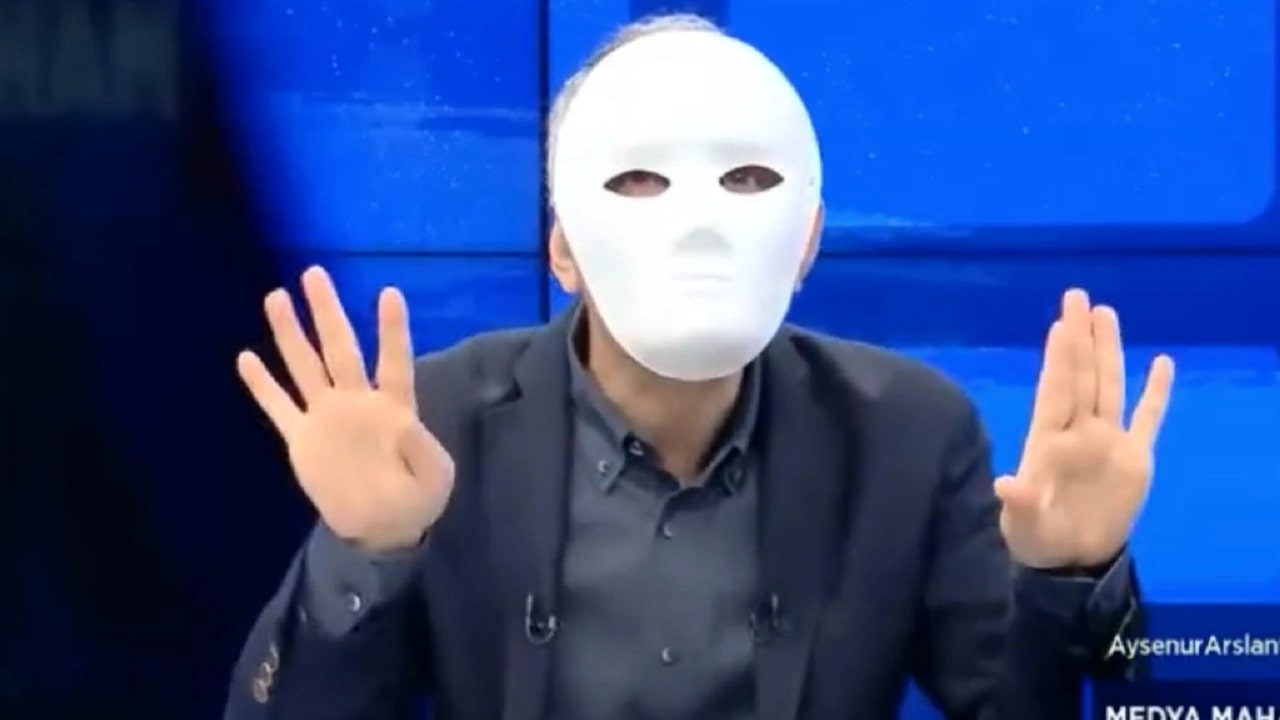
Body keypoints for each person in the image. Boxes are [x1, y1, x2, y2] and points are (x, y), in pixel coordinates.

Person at [224, 14, 1175, 720]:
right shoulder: (438, 427)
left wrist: (1071, 577)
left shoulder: (910, 434)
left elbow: (1041, 704)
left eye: (747, 179)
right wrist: (365, 556)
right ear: (562, 251)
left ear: (808, 240)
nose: (698, 224)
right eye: (639, 179)